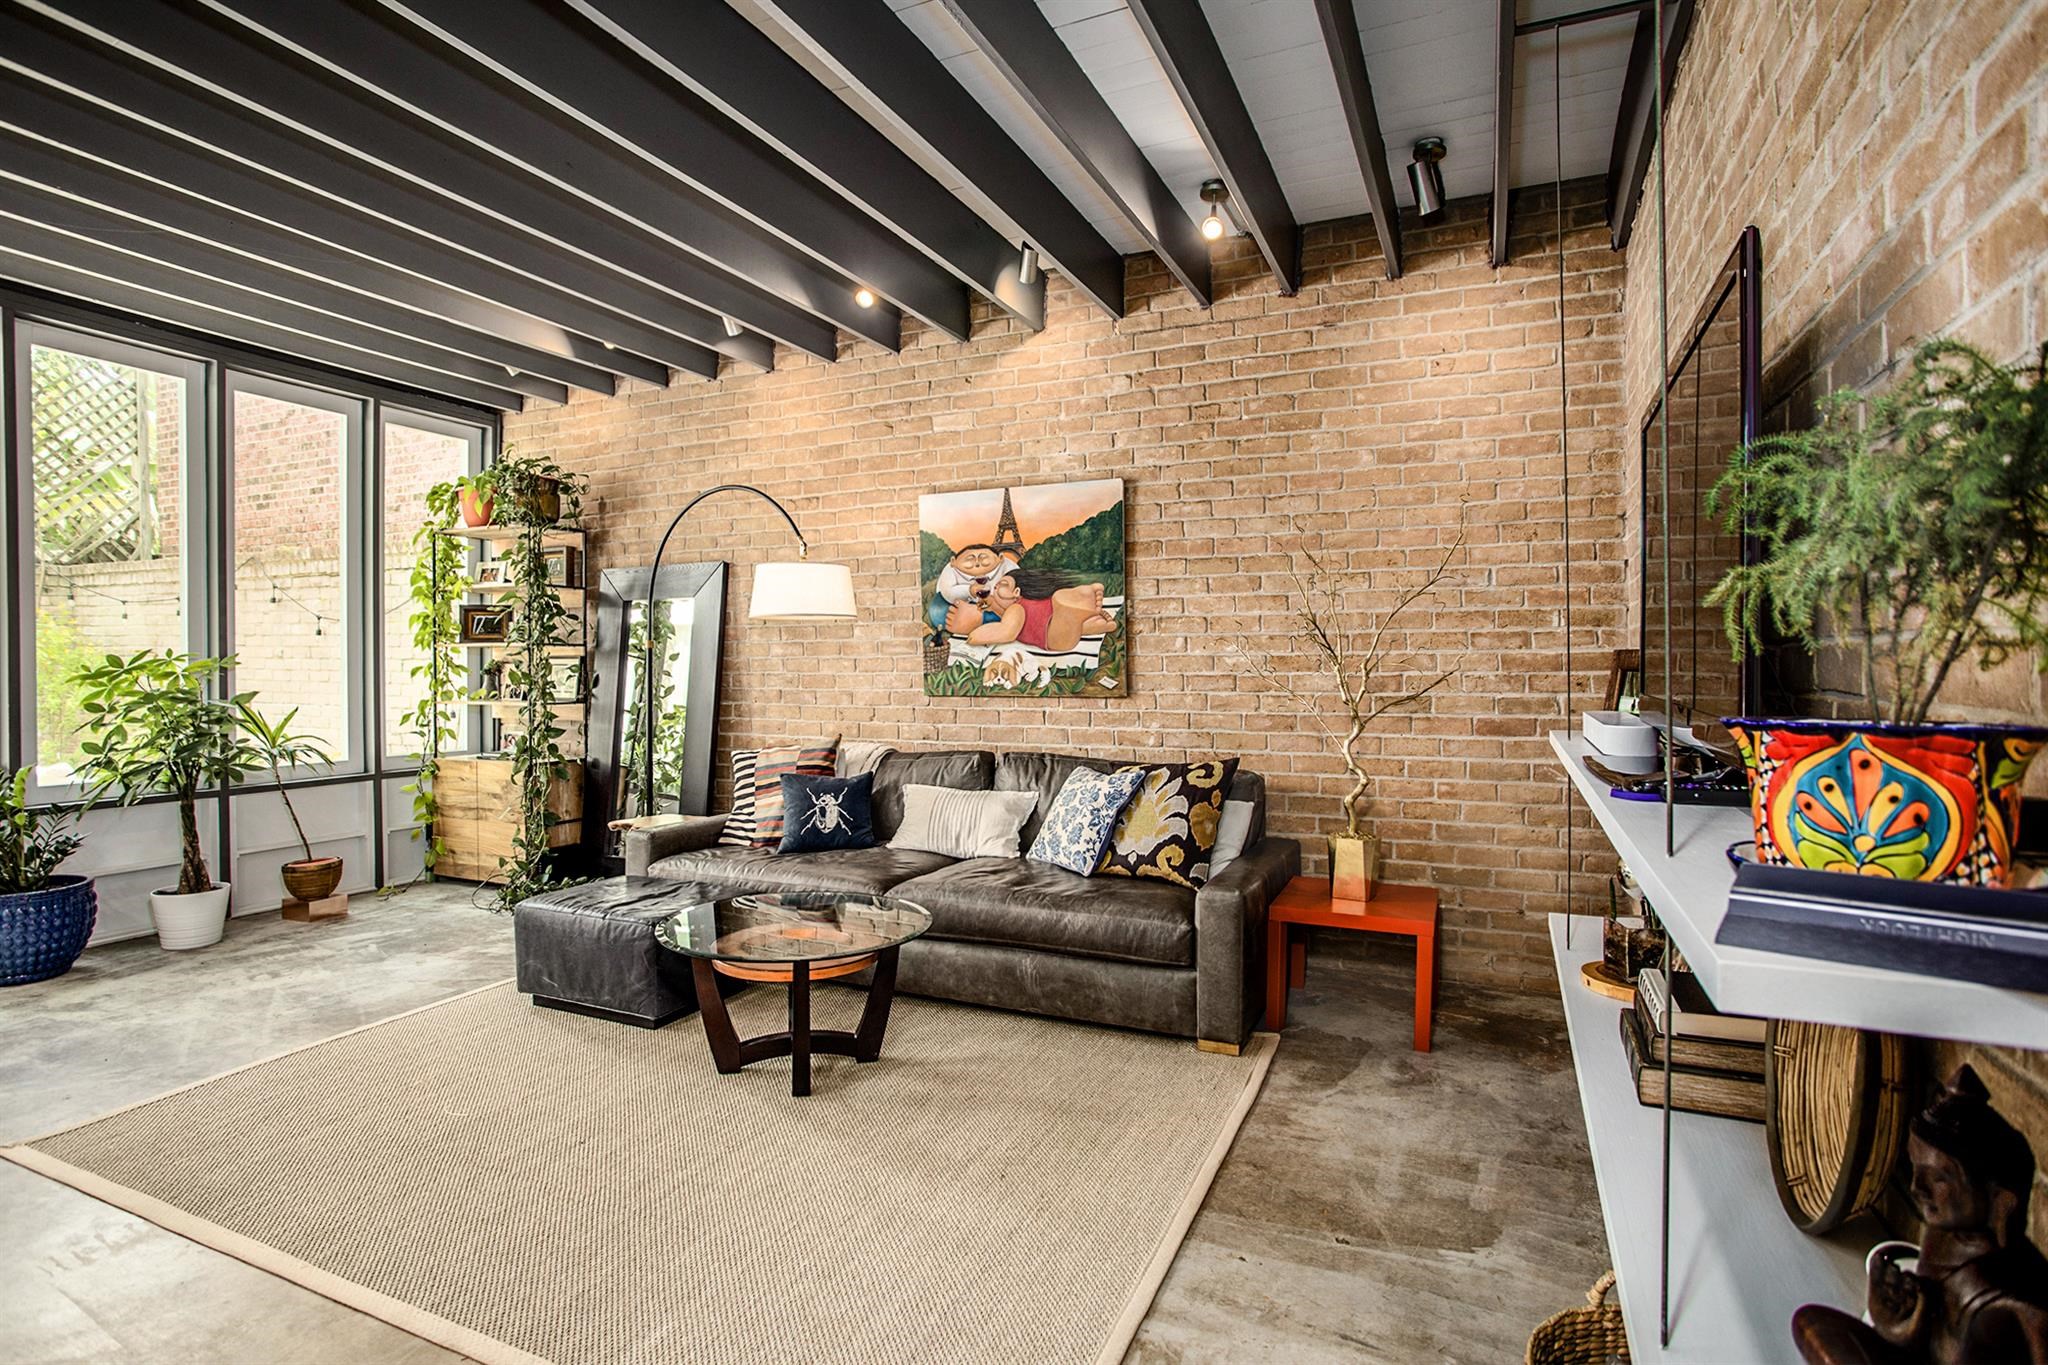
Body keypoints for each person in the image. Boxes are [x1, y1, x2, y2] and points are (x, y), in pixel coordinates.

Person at [945, 570, 1116, 654]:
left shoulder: (1015, 608)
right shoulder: (1014, 607)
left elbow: (1006, 632)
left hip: (1053, 638)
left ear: (1017, 593)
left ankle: (1072, 612)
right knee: (1068, 622)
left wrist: (974, 637)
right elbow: (991, 604)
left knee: (1064, 619)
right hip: (1057, 628)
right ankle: (1081, 616)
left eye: (1003, 585)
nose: (996, 587)